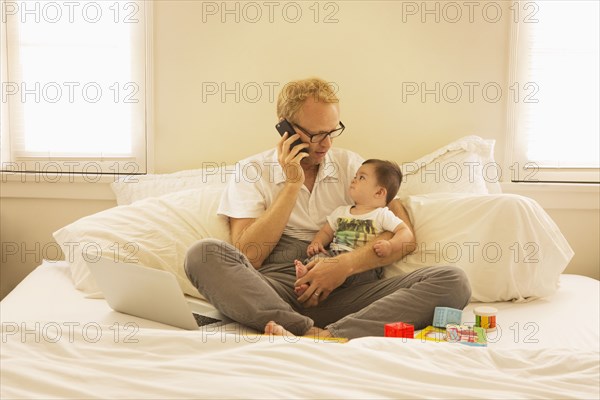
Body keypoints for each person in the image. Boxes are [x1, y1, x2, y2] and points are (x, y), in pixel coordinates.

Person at [185, 77, 471, 340]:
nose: (327, 144)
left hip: (352, 292)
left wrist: (343, 266)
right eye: (316, 134)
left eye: (332, 131)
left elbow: (404, 237)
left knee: (452, 281)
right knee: (204, 255)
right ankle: (310, 332)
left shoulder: (353, 167)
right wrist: (292, 185)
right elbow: (250, 255)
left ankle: (329, 334)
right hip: (280, 293)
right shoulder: (252, 171)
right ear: (285, 128)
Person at [294, 159, 406, 297]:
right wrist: (316, 242)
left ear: (379, 193)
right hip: (334, 256)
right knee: (319, 258)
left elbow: (405, 232)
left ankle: (317, 285)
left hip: (361, 265)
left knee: (361, 276)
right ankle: (308, 278)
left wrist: (391, 245)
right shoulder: (341, 211)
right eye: (355, 176)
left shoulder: (382, 215)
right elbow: (326, 232)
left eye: (361, 178)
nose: (354, 180)